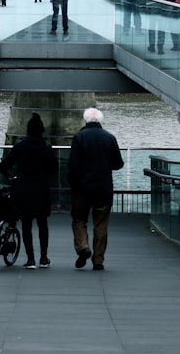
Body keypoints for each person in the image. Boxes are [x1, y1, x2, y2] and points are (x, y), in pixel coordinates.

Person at [0, 113, 58, 269]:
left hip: (23, 189)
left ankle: (30, 259)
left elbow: (5, 165)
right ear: (42, 130)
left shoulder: (20, 146)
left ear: (27, 130)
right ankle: (44, 258)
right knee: (43, 224)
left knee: (26, 224)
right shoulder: (46, 147)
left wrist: (0, 168)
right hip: (41, 189)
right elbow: (54, 169)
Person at [68, 107, 124, 270]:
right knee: (101, 223)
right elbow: (118, 164)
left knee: (79, 219)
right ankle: (98, 260)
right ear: (100, 120)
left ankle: (83, 247)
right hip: (104, 188)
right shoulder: (110, 138)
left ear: (85, 120)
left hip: (82, 188)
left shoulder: (79, 137)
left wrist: (72, 183)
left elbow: (73, 165)